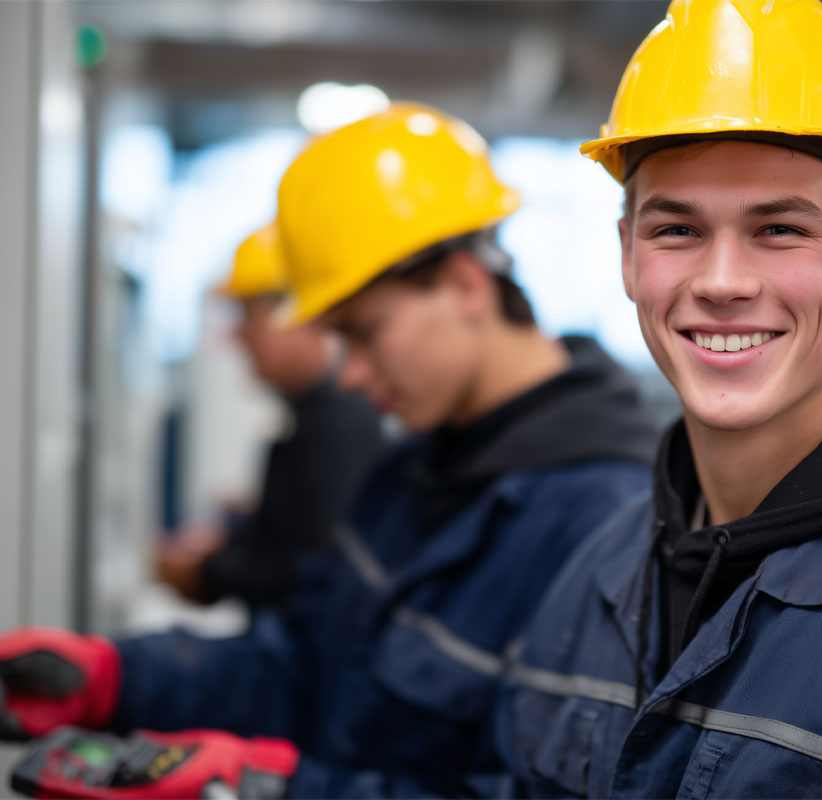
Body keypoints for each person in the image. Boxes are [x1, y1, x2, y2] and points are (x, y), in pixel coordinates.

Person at [0, 103, 659, 798]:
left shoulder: (606, 521)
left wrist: (276, 789)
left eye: (364, 332)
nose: (349, 374)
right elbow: (303, 667)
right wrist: (116, 678)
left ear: (466, 284)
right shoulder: (414, 468)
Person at [496, 1, 822, 797]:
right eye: (677, 231)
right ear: (627, 257)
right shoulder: (598, 572)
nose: (723, 282)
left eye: (779, 231)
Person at [155, 223, 385, 607]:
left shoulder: (339, 427)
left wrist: (207, 571)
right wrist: (241, 534)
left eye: (247, 316)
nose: (237, 337)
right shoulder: (318, 420)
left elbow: (308, 581)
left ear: (302, 315)